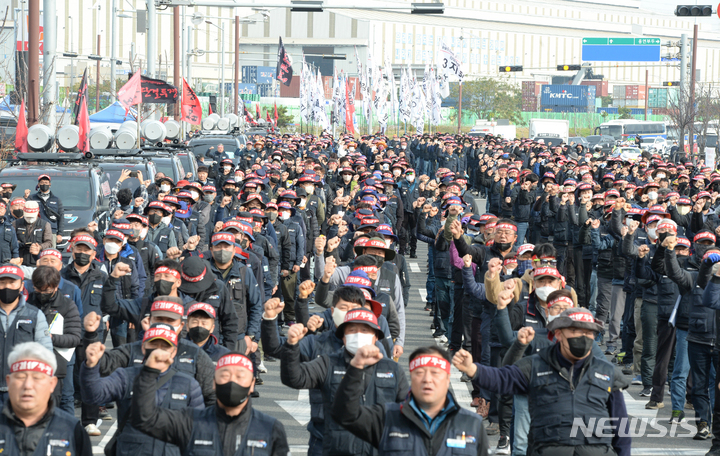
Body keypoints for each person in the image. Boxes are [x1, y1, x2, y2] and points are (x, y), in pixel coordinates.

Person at [453, 308, 631, 456]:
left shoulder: (608, 373)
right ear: (559, 334)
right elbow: (502, 378)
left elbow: (621, 426)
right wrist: (472, 369)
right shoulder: (535, 365)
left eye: (587, 333)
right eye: (575, 331)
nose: (582, 337)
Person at [280, 307, 407, 456]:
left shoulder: (393, 369)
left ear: (376, 336)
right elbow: (294, 378)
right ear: (343, 336)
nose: (359, 335)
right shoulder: (328, 363)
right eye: (352, 330)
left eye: (365, 330)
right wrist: (291, 346)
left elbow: (407, 413)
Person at [330, 344, 488, 456]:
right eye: (419, 373)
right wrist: (356, 368)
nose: (427, 379)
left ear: (447, 379)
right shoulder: (388, 417)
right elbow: (344, 414)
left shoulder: (472, 424)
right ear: (411, 377)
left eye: (435, 373)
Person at [130, 351, 290, 456]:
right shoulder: (190, 421)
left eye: (240, 376)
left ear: (252, 384)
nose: (232, 381)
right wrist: (149, 373)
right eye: (225, 375)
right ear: (213, 383)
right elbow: (145, 419)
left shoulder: (270, 428)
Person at [80, 324, 204, 456]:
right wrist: (91, 367)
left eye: (165, 346)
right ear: (143, 348)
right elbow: (93, 396)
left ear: (174, 351)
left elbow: (198, 429)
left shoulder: (188, 384)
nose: (158, 350)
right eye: (154, 345)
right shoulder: (125, 376)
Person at [0, 342, 92, 456]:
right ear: (8, 382)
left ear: (52, 384)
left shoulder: (72, 430)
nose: (28, 385)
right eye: (21, 377)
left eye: (37, 378)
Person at [0, 265, 53, 401]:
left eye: (12, 282)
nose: (7, 287)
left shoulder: (35, 315)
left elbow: (45, 352)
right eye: (2, 282)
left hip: (21, 388)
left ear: (21, 285)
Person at [28, 175, 64, 247]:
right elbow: (27, 213)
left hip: (51, 231)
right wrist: (25, 198)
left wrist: (60, 234)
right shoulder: (31, 198)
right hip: (36, 230)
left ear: (50, 184)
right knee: (36, 253)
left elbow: (61, 217)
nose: (44, 184)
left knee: (50, 253)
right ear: (38, 184)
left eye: (46, 182)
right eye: (42, 182)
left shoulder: (56, 200)